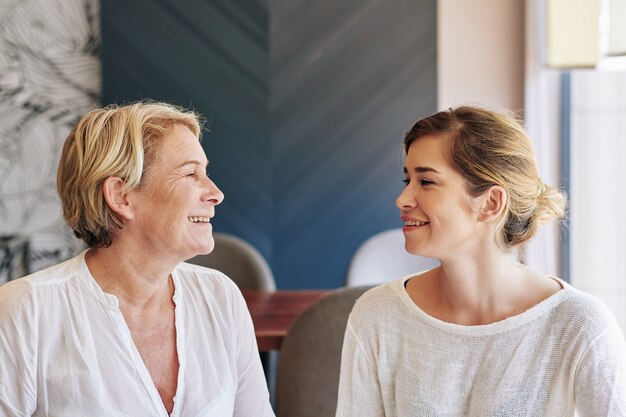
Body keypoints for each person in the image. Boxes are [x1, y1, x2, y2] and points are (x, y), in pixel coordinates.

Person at [335, 106, 626, 416]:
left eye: (426, 182)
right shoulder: (377, 316)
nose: (403, 199)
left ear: (491, 203)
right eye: (407, 180)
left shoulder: (580, 325)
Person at [0, 101, 275, 417]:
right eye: (190, 173)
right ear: (122, 196)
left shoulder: (221, 297)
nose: (215, 193)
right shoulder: (25, 311)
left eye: (205, 172)